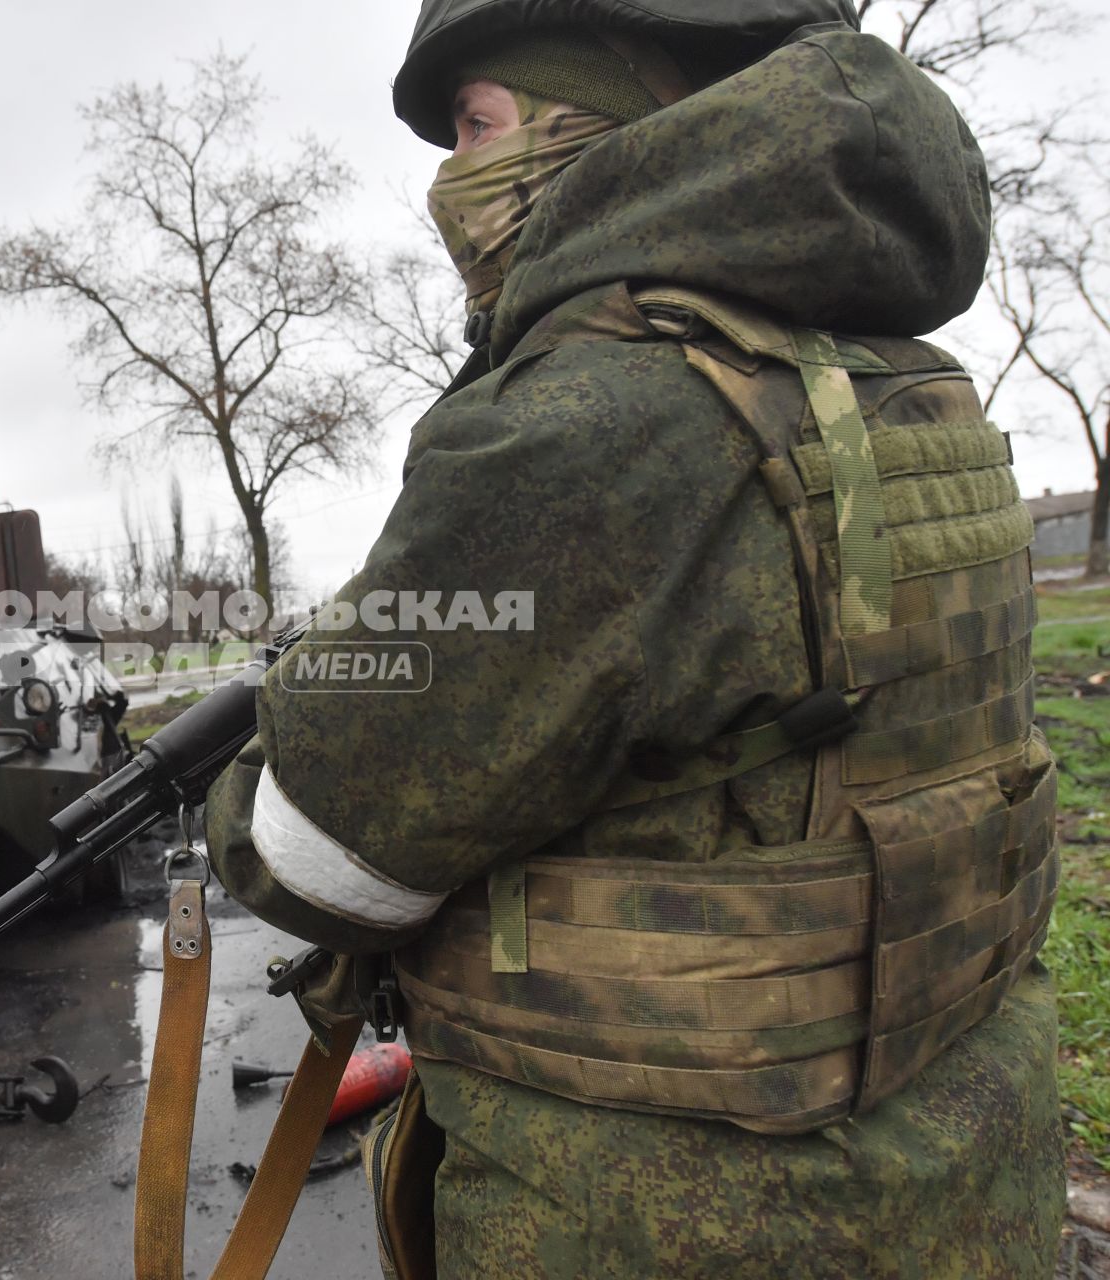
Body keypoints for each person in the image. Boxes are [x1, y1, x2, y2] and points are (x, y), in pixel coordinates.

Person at [205, 2, 1063, 1276]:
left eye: (476, 128)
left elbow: (321, 854)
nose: (453, 180)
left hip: (670, 1220)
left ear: (585, 128)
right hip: (956, 1184)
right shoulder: (896, 372)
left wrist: (247, 782)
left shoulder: (594, 418)